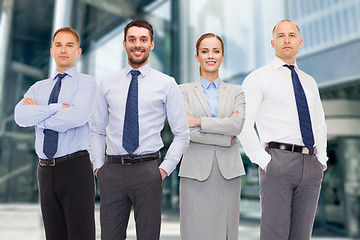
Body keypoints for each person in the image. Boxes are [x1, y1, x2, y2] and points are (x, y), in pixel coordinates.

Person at [90, 19, 190, 240]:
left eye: (143, 40)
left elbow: (182, 133)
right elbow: (96, 129)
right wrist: (99, 168)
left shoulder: (167, 84)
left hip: (148, 170)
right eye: (132, 39)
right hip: (112, 171)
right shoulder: (107, 83)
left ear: (152, 44)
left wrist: (163, 170)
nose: (138, 44)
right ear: (124, 44)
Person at [239, 20, 328, 240]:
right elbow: (243, 123)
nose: (286, 39)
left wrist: (322, 160)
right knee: (274, 234)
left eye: (291, 35)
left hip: (311, 164)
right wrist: (264, 160)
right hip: (277, 161)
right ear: (273, 42)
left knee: (302, 235)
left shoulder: (309, 82)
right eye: (281, 36)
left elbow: (319, 123)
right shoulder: (258, 78)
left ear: (300, 42)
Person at [14, 27, 97, 240]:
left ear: (78, 52)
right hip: (44, 170)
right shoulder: (37, 87)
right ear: (52, 51)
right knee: (53, 235)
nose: (63, 50)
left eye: (70, 45)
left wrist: (39, 116)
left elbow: (77, 117)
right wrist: (57, 108)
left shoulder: (86, 83)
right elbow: (21, 117)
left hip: (75, 168)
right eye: (59, 45)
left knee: (80, 235)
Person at [179, 33, 246, 240]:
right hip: (194, 173)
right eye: (205, 51)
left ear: (222, 56)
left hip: (228, 174)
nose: (211, 56)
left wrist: (199, 122)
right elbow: (186, 131)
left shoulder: (237, 91)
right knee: (193, 233)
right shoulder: (183, 91)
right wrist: (226, 135)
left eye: (216, 51)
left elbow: (237, 125)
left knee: (226, 234)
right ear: (197, 56)